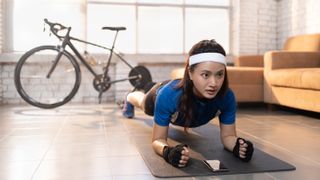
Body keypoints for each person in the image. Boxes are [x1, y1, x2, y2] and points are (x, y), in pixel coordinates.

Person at [121, 39, 254, 168]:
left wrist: (238, 146)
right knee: (142, 103)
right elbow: (157, 140)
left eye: (219, 74)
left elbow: (228, 137)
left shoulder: (227, 97)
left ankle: (148, 85)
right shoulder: (168, 96)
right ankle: (129, 96)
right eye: (205, 75)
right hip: (159, 93)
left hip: (178, 95)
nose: (214, 83)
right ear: (190, 72)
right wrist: (168, 152)